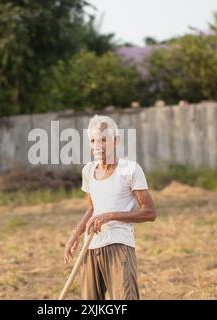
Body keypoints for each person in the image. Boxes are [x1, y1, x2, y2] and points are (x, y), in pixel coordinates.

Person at [63, 114, 156, 300]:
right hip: (90, 246)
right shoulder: (88, 170)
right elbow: (92, 208)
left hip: (119, 246)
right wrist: (75, 234)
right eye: (93, 140)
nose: (98, 146)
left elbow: (149, 212)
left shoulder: (130, 170)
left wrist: (110, 216)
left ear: (116, 140)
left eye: (103, 140)